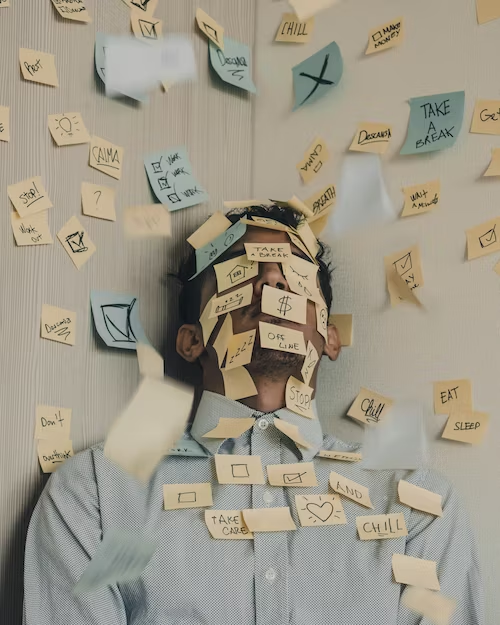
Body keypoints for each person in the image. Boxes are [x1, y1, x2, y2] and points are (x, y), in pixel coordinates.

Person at [24, 204, 483, 624]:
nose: (272, 281)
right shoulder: (97, 491)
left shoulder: (418, 506)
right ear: (191, 340)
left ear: (329, 337)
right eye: (241, 270)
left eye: (294, 275)